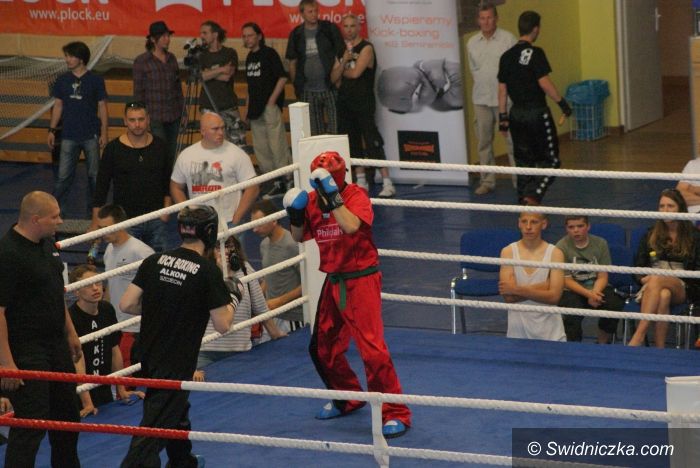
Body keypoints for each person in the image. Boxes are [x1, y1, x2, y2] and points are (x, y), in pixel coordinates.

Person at [283, 151, 411, 438]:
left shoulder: (356, 196)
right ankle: (347, 397)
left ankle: (395, 412)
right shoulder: (312, 200)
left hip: (361, 279)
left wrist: (333, 197)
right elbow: (298, 236)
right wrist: (294, 214)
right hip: (334, 279)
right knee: (322, 347)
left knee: (373, 351)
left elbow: (351, 226)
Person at [119, 205, 238, 468]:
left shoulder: (154, 260)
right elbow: (223, 324)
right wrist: (234, 296)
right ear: (209, 232)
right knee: (154, 426)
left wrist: (164, 306)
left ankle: (182, 461)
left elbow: (127, 304)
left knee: (174, 408)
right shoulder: (207, 271)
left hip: (147, 352)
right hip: (175, 358)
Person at [0, 191, 83, 467]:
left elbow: (55, 291)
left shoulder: (48, 244)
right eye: (54, 217)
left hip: (56, 343)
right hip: (26, 349)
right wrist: (7, 363)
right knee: (31, 423)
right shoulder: (8, 254)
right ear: (35, 219)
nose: (60, 221)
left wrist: (70, 332)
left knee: (68, 417)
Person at [497, 11, 571, 206]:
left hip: (516, 114)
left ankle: (523, 205)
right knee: (551, 161)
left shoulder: (506, 57)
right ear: (536, 29)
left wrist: (503, 118)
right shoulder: (536, 53)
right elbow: (544, 83)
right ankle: (533, 196)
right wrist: (562, 104)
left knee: (523, 163)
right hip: (537, 113)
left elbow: (502, 90)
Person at [197, 235, 285, 375]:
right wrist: (221, 273)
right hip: (206, 351)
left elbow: (260, 307)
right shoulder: (203, 271)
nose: (225, 251)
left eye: (229, 246)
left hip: (240, 350)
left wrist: (276, 334)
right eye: (219, 247)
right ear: (210, 250)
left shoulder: (245, 269)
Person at [92, 101, 171, 252]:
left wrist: (166, 210)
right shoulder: (113, 149)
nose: (137, 124)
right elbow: (101, 186)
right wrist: (96, 221)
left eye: (141, 119)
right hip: (125, 220)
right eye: (132, 120)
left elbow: (167, 181)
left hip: (156, 219)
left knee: (158, 262)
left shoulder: (160, 146)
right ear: (125, 121)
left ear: (148, 119)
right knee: (126, 262)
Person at [330, 13, 395, 198]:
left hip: (363, 102)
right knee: (352, 142)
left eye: (353, 26)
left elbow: (356, 73)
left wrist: (342, 69)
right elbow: (333, 78)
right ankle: (361, 181)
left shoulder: (366, 47)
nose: (349, 29)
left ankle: (387, 181)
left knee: (372, 139)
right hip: (345, 102)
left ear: (358, 27)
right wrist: (344, 62)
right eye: (346, 26)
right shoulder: (341, 51)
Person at [68, 264, 145, 417]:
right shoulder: (71, 318)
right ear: (76, 291)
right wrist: (87, 402)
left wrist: (121, 390)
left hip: (103, 389)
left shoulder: (107, 309)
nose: (95, 288)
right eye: (88, 285)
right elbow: (77, 361)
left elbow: (114, 349)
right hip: (78, 393)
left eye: (98, 282)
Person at [629, 189, 700, 348]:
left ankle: (639, 335)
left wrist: (664, 278)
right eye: (662, 206)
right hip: (652, 284)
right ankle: (659, 349)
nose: (665, 210)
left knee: (657, 279)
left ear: (680, 208)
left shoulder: (694, 236)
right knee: (664, 295)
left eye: (670, 206)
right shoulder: (651, 234)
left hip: (684, 285)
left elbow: (697, 271)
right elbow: (638, 265)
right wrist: (643, 278)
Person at [48, 41, 109, 217]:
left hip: (91, 134)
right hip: (69, 135)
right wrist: (52, 130)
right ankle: (56, 213)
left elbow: (102, 107)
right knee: (63, 177)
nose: (67, 59)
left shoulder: (95, 80)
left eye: (70, 56)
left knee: (94, 177)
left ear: (81, 59)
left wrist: (104, 132)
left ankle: (95, 213)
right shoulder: (62, 80)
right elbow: (58, 105)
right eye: (66, 56)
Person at [171, 112, 260, 229]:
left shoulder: (237, 154)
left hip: (229, 221)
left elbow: (253, 188)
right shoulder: (186, 156)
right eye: (215, 129)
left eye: (222, 128)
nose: (221, 132)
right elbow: (176, 187)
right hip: (199, 223)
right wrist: (188, 213)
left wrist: (236, 219)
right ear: (202, 131)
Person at [95, 204, 155, 368]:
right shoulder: (109, 250)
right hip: (117, 324)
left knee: (129, 375)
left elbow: (155, 290)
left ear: (121, 224)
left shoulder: (141, 252)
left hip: (136, 327)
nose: (103, 233)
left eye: (107, 228)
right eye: (100, 228)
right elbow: (111, 283)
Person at [466, 3, 516, 195]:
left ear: (496, 19)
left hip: (505, 101)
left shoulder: (508, 40)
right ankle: (487, 181)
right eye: (482, 18)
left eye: (489, 17)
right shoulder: (472, 43)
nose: (486, 22)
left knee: (512, 142)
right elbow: (474, 71)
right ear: (478, 20)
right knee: (484, 142)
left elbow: (515, 72)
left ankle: (519, 181)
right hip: (481, 99)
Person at [242, 22, 292, 199]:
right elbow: (250, 87)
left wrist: (272, 101)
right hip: (255, 110)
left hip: (269, 108)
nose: (247, 39)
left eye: (250, 35)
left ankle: (287, 179)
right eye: (244, 36)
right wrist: (247, 110)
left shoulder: (269, 54)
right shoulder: (249, 58)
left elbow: (282, 77)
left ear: (259, 36)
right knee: (262, 149)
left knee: (277, 145)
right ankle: (275, 182)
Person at [556, 216, 624, 343]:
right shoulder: (561, 247)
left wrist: (595, 292)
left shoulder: (600, 243)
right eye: (571, 227)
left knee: (614, 304)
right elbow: (567, 280)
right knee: (571, 311)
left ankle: (602, 343)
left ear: (588, 226)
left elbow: (603, 275)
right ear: (566, 229)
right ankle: (574, 346)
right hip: (573, 290)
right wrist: (589, 294)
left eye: (580, 226)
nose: (576, 230)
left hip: (597, 287)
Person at [499, 212, 566, 341]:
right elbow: (508, 297)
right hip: (517, 332)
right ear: (519, 223)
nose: (528, 227)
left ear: (544, 224)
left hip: (551, 333)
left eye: (534, 222)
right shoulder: (508, 252)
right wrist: (544, 286)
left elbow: (554, 297)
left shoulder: (555, 253)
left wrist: (516, 289)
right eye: (524, 221)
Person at [285, 0, 344, 135]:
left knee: (336, 129)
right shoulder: (296, 34)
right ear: (302, 14)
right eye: (310, 12)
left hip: (330, 87)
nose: (314, 14)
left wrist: (338, 82)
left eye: (316, 11)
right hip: (308, 90)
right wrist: (297, 86)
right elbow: (292, 62)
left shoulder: (329, 29)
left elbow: (341, 54)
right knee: (315, 132)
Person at [133, 21, 183, 167]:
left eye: (168, 36)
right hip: (154, 114)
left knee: (172, 152)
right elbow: (138, 92)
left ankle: (169, 178)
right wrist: (140, 116)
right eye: (163, 36)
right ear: (153, 40)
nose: (167, 39)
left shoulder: (172, 58)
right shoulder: (142, 61)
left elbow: (178, 87)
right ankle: (158, 178)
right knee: (158, 150)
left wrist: (183, 112)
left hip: (173, 113)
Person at [251, 200, 304, 330]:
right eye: (253, 225)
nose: (254, 230)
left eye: (259, 224)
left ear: (274, 220)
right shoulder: (263, 245)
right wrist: (257, 301)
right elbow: (269, 277)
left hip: (293, 317)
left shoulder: (291, 244)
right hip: (272, 315)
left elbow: (308, 283)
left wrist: (280, 301)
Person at [199, 20, 249, 152]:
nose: (202, 36)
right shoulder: (201, 55)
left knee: (238, 145)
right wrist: (221, 69)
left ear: (215, 34)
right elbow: (201, 76)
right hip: (208, 106)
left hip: (228, 105)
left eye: (205, 33)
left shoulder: (229, 53)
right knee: (212, 145)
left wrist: (209, 72)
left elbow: (228, 75)